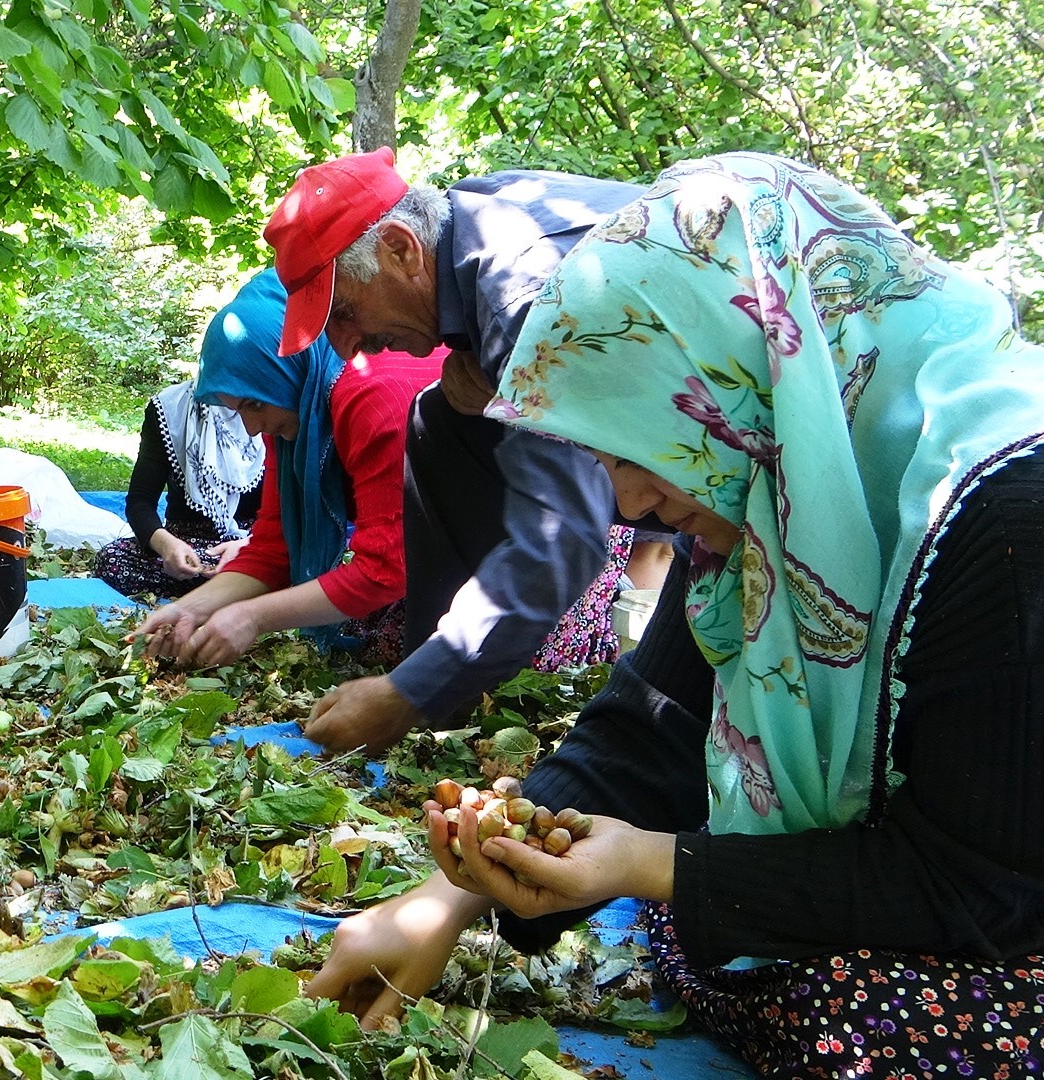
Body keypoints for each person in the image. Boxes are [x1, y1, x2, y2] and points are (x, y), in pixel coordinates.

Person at [306, 152, 1044, 1078]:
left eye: (639, 442)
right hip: (905, 884)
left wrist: (652, 866)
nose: (628, 501)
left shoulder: (1004, 514)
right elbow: (652, 724)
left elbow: (988, 890)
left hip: (996, 910)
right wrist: (448, 900)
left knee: (858, 1020)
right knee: (708, 930)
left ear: (735, 369)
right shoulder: (771, 495)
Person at [266, 149, 649, 754]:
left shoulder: (519, 294)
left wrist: (406, 693)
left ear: (400, 248)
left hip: (771, 423)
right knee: (436, 413)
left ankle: (426, 693)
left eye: (342, 313)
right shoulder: (475, 216)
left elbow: (563, 535)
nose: (343, 345)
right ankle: (440, 701)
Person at [135, 270, 441, 666]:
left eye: (253, 406)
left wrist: (252, 617)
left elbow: (385, 567)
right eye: (238, 410)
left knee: (407, 654)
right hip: (428, 555)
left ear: (284, 367)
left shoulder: (374, 398)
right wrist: (191, 610)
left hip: (499, 554)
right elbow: (273, 547)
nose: (249, 427)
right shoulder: (295, 409)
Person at [92, 379, 265, 599]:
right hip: (187, 543)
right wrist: (167, 546)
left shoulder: (270, 407)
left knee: (290, 568)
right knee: (112, 560)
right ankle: (232, 590)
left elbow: (291, 516)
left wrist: (247, 545)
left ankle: (232, 588)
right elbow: (140, 501)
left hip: (257, 542)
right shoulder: (171, 409)